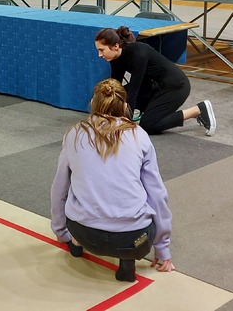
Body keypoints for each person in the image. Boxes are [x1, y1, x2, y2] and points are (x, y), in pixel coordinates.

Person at [50, 78, 174, 282]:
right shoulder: (139, 135)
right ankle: (127, 262)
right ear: (125, 106)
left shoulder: (74, 133)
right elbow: (157, 195)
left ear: (93, 103)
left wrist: (61, 231)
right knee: (143, 201)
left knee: (75, 187)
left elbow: (59, 188)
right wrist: (162, 247)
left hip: (85, 233)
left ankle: (76, 244)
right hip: (135, 238)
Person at [95, 26, 216, 136]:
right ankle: (150, 112)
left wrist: (126, 122)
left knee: (148, 125)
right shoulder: (115, 57)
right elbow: (115, 87)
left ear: (116, 46)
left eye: (102, 50)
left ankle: (197, 110)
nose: (100, 55)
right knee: (121, 94)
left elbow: (134, 90)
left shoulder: (138, 53)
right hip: (155, 85)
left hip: (176, 87)